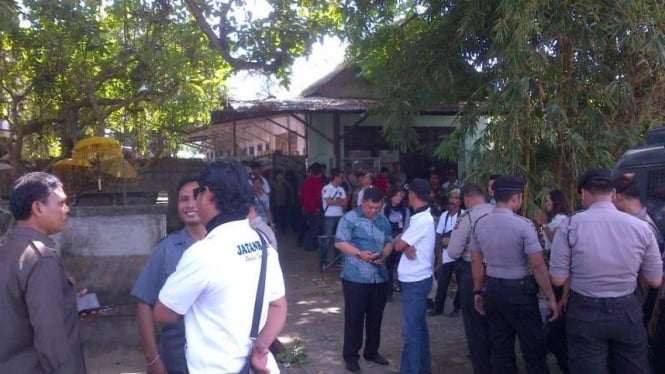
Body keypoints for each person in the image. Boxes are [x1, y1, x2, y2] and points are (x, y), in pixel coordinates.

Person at [154, 158, 287, 373]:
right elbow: (279, 305)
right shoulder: (262, 244)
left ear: (208, 195)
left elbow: (163, 314)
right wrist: (261, 347)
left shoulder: (203, 253)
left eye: (197, 193)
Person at [550, 168, 663, 374]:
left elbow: (557, 279)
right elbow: (655, 280)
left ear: (583, 193)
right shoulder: (641, 227)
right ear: (613, 193)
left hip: (585, 312)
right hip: (627, 311)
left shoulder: (569, 226)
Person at [470, 175, 558, 374]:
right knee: (533, 350)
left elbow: (476, 261)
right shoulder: (523, 225)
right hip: (520, 294)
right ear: (516, 198)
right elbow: (537, 265)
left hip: (492, 291)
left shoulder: (480, 224)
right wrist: (551, 297)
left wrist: (477, 291)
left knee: (501, 351)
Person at [0, 172, 86, 373]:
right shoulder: (41, 258)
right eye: (61, 204)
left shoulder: (7, 250)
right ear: (37, 208)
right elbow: (51, 339)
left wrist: (68, 303)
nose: (67, 210)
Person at [131, 177, 207, 374]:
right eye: (183, 199)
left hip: (220, 360)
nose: (190, 204)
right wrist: (152, 357)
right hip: (177, 361)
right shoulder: (166, 249)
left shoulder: (225, 244)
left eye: (195, 197)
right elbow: (144, 302)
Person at [335, 187, 394, 372]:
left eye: (377, 207)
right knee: (355, 317)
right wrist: (359, 254)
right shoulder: (350, 218)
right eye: (370, 207)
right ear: (363, 203)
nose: (373, 211)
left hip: (379, 276)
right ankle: (351, 355)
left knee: (376, 316)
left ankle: (372, 351)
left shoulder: (383, 220)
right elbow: (339, 242)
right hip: (355, 277)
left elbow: (390, 241)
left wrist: (384, 253)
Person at [447, 182, 494, 374]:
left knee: (475, 325)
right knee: (496, 323)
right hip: (498, 273)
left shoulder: (467, 217)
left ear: (466, 199)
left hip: (472, 273)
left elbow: (453, 251)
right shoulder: (498, 212)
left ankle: (482, 367)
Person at [393, 178, 436, 374]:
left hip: (416, 281)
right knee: (419, 329)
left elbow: (398, 245)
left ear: (413, 195)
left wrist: (401, 242)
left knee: (410, 333)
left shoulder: (421, 220)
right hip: (416, 279)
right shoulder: (420, 217)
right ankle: (423, 368)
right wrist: (403, 242)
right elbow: (402, 242)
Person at [533, 188, 571, 374]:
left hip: (560, 268)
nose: (546, 203)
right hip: (552, 263)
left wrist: (542, 224)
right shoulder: (555, 220)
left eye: (548, 200)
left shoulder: (563, 220)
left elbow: (555, 239)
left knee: (556, 307)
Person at [431, 188, 463, 317]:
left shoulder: (464, 214)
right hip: (445, 253)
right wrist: (439, 255)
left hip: (460, 254)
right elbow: (439, 236)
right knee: (442, 281)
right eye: (451, 198)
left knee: (461, 282)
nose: (453, 201)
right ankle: (438, 307)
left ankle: (458, 307)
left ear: (460, 201)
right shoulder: (444, 215)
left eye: (456, 198)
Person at [383, 186, 409, 300]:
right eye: (396, 195)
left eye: (400, 196)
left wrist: (401, 237)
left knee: (402, 265)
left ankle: (403, 288)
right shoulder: (384, 209)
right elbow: (381, 226)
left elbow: (407, 226)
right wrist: (390, 239)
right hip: (388, 240)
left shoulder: (405, 210)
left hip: (401, 240)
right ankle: (388, 292)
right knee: (388, 267)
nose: (398, 198)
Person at [321, 168, 347, 271]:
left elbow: (345, 203)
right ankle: (324, 260)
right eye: (341, 177)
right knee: (326, 239)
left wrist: (335, 201)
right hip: (329, 216)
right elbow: (329, 202)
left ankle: (337, 261)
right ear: (336, 177)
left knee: (338, 239)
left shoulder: (341, 189)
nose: (342, 179)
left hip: (339, 215)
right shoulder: (326, 188)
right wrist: (339, 201)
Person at [298, 163, 324, 251]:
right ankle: (309, 245)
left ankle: (310, 244)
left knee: (309, 227)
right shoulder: (318, 182)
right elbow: (318, 196)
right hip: (314, 209)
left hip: (306, 208)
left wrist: (302, 205)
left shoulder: (306, 182)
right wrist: (318, 207)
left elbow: (302, 195)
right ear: (319, 174)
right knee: (314, 228)